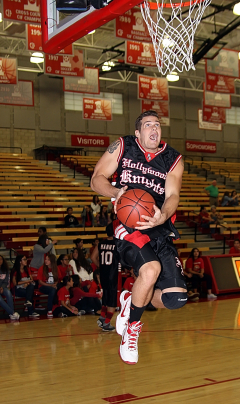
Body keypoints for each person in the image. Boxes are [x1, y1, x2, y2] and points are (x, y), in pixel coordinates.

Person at [91, 110, 187, 365]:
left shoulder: (173, 158)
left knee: (175, 298)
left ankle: (129, 300)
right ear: (138, 132)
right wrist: (116, 192)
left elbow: (173, 196)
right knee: (151, 269)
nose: (153, 129)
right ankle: (132, 328)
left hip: (158, 225)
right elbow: (96, 179)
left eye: (157, 125)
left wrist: (163, 215)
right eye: (148, 125)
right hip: (128, 223)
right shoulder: (123, 146)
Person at [91, 222, 120, 332]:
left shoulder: (101, 244)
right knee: (112, 300)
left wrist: (101, 266)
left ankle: (103, 317)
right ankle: (107, 322)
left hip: (103, 274)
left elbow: (93, 257)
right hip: (113, 274)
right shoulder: (117, 244)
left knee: (106, 297)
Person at [0, 255, 20, 320]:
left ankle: (11, 315)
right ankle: (12, 313)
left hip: (2, 287)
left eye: (1, 259)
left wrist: (2, 287)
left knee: (8, 293)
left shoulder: (5, 270)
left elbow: (6, 282)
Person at [37, 254, 62, 318]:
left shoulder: (56, 268)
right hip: (43, 286)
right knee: (53, 290)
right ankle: (50, 309)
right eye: (46, 259)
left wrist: (55, 284)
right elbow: (40, 282)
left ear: (52, 261)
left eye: (48, 260)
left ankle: (59, 306)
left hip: (53, 286)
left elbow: (58, 278)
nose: (46, 261)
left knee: (58, 288)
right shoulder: (41, 268)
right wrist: (51, 285)